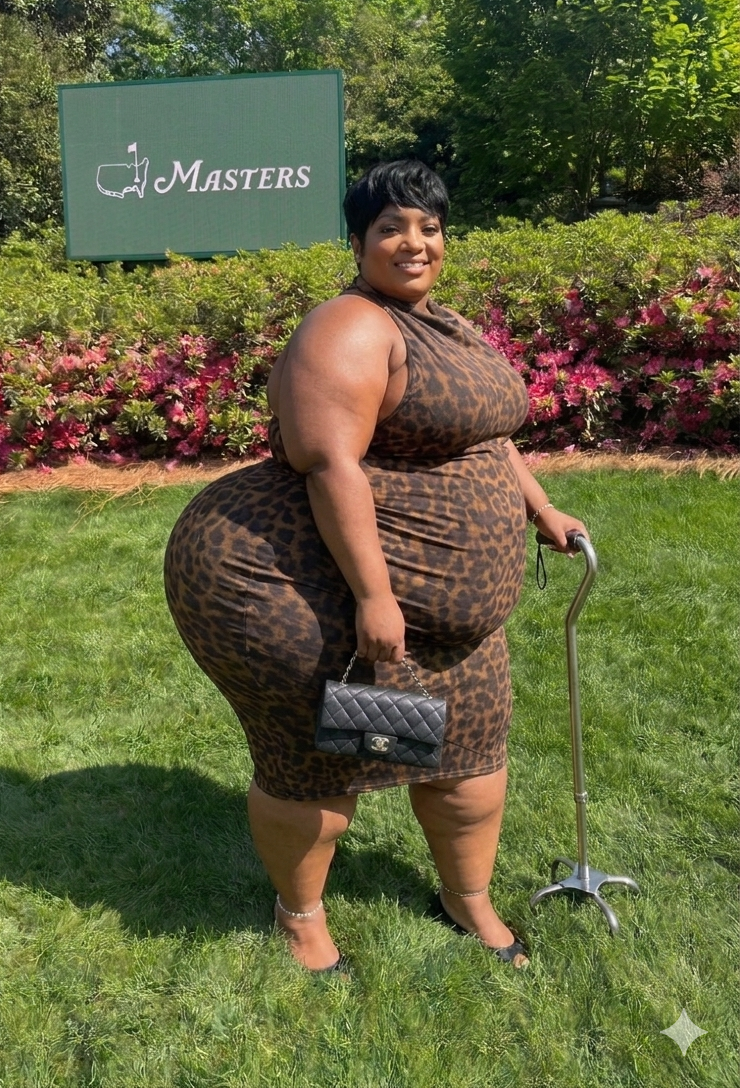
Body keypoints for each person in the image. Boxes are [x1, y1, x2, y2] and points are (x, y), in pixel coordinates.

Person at [164, 160, 587, 973]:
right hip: (319, 595)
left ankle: (466, 898)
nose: (414, 242)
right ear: (357, 243)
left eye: (429, 226)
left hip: (453, 627)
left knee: (468, 762)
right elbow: (330, 464)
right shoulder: (351, 328)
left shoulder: (441, 323)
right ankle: (300, 916)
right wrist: (375, 595)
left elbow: (487, 435)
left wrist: (540, 508)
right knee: (328, 766)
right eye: (391, 227)